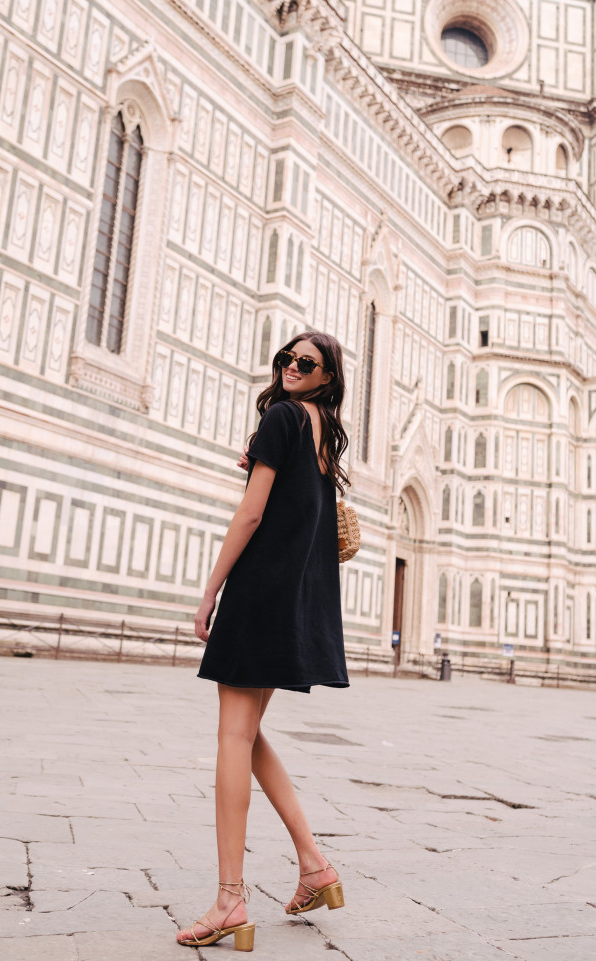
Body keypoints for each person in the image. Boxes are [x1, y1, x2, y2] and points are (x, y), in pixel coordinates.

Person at [176, 332, 350, 952]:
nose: (291, 368)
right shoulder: (322, 430)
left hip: (258, 593)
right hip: (294, 600)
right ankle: (314, 865)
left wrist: (210, 591)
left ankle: (230, 899)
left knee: (232, 736)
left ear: (326, 376)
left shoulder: (281, 418)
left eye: (306, 363)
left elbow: (251, 513)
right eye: (286, 359)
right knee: (246, 734)